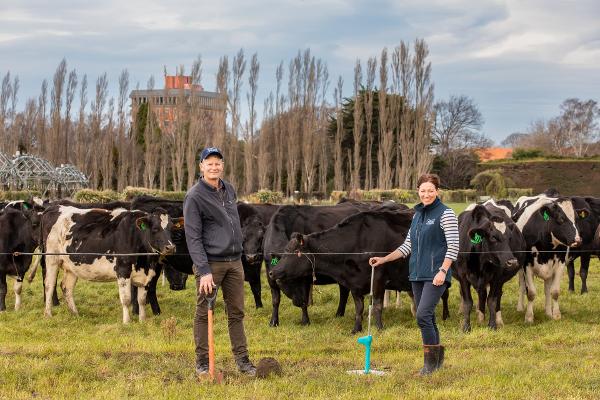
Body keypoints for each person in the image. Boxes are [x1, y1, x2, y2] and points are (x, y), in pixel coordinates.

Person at [369, 173, 459, 375]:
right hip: (417, 275)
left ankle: (429, 365)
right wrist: (383, 259)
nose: (426, 194)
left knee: (422, 315)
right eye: (423, 190)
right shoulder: (417, 215)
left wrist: (443, 271)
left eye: (430, 190)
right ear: (418, 191)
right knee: (429, 317)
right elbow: (406, 246)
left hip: (436, 274)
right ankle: (435, 363)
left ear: (437, 192)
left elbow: (454, 246)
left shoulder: (446, 214)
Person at [183, 146, 256, 377]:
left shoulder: (229, 189)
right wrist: (203, 270)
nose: (214, 167)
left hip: (235, 262)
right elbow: (193, 237)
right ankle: (203, 363)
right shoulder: (195, 196)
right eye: (209, 163)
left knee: (237, 313)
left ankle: (243, 361)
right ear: (201, 166)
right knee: (204, 312)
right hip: (211, 265)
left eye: (218, 163)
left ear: (222, 166)